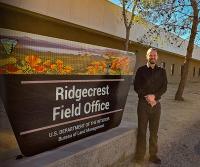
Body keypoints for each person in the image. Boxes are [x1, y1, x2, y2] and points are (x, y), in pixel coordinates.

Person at [133, 48, 168, 164]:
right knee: (142, 132)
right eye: (150, 55)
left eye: (154, 55)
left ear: (157, 57)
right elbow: (136, 86)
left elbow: (164, 87)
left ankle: (153, 155)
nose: (153, 57)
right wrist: (147, 97)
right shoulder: (140, 70)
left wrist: (155, 97)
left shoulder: (162, 71)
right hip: (143, 105)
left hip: (156, 105)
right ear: (147, 56)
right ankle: (139, 157)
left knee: (154, 132)